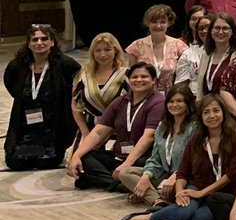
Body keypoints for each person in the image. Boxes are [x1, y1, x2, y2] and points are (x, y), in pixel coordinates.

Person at [119, 93, 236, 220]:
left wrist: (202, 193)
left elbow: (232, 175)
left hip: (222, 193)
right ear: (201, 117)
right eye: (206, 112)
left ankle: (160, 214)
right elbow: (183, 172)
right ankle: (147, 218)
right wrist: (179, 192)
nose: (212, 116)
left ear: (224, 112)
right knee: (185, 212)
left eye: (216, 111)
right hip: (196, 187)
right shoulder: (196, 140)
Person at [68, 60, 163, 190]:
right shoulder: (120, 102)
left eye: (144, 76)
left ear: (153, 81)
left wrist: (128, 163)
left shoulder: (158, 102)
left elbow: (149, 136)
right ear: (128, 80)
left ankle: (104, 180)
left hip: (143, 158)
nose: (139, 80)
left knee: (88, 176)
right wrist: (76, 155)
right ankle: (120, 184)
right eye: (134, 77)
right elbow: (99, 131)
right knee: (85, 158)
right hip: (119, 157)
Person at [4, 25, 82, 169]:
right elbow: (9, 82)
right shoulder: (18, 65)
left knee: (48, 161)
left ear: (52, 42)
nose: (39, 43)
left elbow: (80, 80)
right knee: (15, 162)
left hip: (52, 125)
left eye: (44, 39)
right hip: (26, 124)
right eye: (35, 39)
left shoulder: (64, 63)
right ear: (29, 44)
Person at [118, 84, 197, 208]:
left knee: (172, 190)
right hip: (163, 174)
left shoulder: (195, 127)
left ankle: (147, 195)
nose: (174, 105)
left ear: (188, 103)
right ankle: (157, 201)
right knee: (125, 173)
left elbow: (195, 161)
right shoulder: (163, 125)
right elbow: (155, 158)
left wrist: (177, 175)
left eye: (179, 101)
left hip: (185, 178)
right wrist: (145, 177)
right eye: (171, 101)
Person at [70, 32, 127, 151]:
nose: (103, 54)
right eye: (98, 50)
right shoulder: (83, 76)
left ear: (115, 50)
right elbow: (76, 107)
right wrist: (85, 133)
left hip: (119, 130)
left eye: (107, 50)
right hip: (90, 128)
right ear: (92, 53)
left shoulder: (126, 74)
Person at [125, 4, 189, 91]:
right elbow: (131, 78)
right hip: (144, 98)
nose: (158, 26)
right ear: (147, 23)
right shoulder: (136, 47)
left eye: (162, 22)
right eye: (154, 22)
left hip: (171, 100)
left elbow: (184, 77)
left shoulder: (179, 46)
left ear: (169, 23)